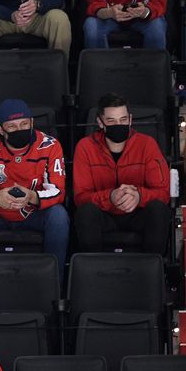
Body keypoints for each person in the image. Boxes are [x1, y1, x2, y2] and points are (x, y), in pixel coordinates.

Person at [0, 98, 69, 281]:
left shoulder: (50, 145)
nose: (20, 130)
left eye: (24, 124)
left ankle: (55, 284)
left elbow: (59, 190)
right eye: (12, 126)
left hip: (32, 212)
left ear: (32, 123)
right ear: (1, 129)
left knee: (58, 215)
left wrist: (32, 197)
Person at [72, 92, 171, 254]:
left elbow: (163, 193)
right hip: (104, 215)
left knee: (159, 210)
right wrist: (110, 196)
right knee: (85, 212)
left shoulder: (147, 144)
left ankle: (153, 270)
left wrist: (138, 196)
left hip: (138, 213)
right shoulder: (85, 147)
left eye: (123, 120)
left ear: (130, 120)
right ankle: (93, 271)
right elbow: (80, 197)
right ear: (100, 122)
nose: (119, 124)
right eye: (111, 121)